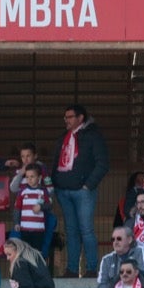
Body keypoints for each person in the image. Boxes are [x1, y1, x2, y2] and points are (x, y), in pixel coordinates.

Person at [51, 104, 108, 277]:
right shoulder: (63, 137)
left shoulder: (93, 136)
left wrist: (88, 185)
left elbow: (103, 163)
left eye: (69, 117)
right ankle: (72, 269)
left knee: (86, 230)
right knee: (71, 231)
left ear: (80, 118)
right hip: (63, 191)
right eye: (65, 117)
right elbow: (55, 162)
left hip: (83, 192)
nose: (66, 120)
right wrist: (55, 183)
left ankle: (91, 269)